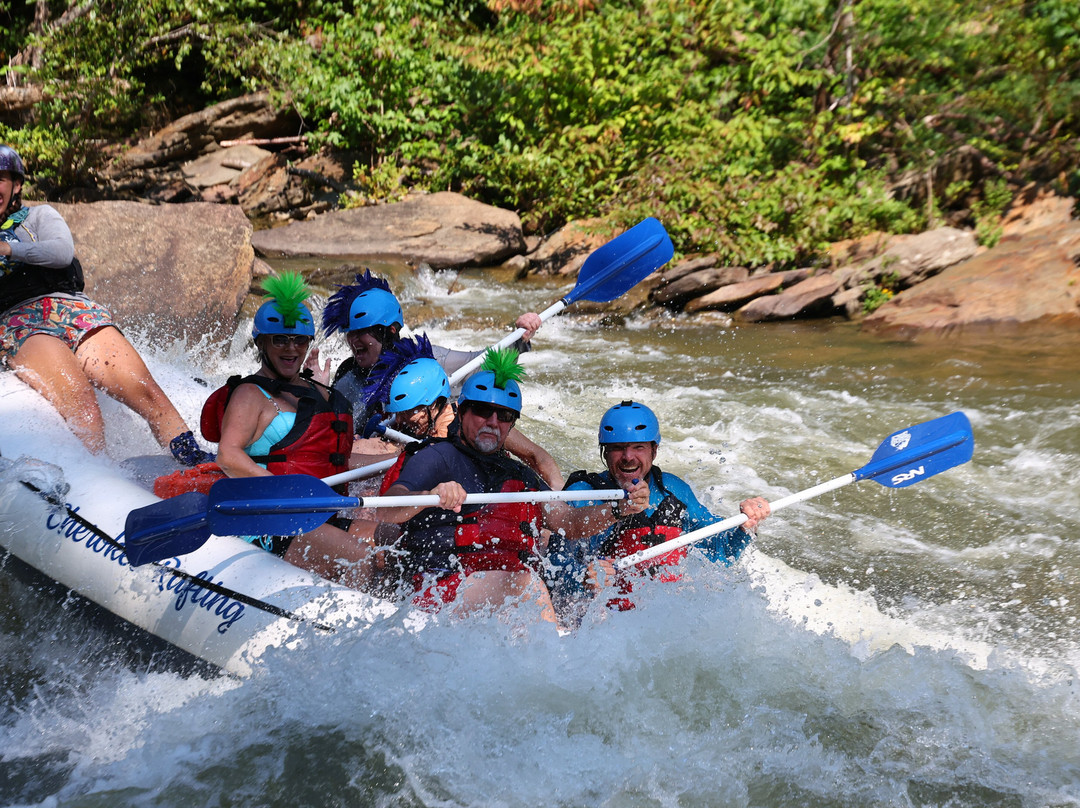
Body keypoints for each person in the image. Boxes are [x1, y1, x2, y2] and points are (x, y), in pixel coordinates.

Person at [378, 349, 649, 623]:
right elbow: (387, 509)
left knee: (597, 615)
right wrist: (430, 495)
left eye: (504, 416)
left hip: (504, 598)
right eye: (483, 411)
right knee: (526, 587)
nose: (493, 422)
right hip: (441, 592)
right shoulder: (436, 457)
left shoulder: (523, 476)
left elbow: (570, 523)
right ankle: (554, 660)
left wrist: (619, 508)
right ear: (461, 411)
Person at [0, 144, 212, 465]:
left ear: (15, 185)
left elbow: (61, 253)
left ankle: (195, 464)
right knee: (82, 402)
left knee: (148, 393)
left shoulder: (38, 216)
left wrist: (9, 249)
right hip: (20, 323)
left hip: (73, 310)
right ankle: (106, 483)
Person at [312, 269, 563, 488]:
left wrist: (519, 336)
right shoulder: (347, 376)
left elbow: (484, 364)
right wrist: (317, 392)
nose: (354, 341)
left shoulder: (431, 364)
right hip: (388, 459)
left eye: (363, 332)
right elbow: (335, 438)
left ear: (389, 331)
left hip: (423, 453)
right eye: (350, 333)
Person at [214, 271, 378, 588]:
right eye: (280, 339)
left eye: (299, 339)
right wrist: (285, 491)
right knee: (360, 556)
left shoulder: (319, 393)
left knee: (393, 543)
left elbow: (335, 462)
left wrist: (397, 461)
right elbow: (228, 456)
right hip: (269, 518)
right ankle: (353, 634)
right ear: (261, 342)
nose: (291, 349)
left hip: (318, 514)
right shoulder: (250, 395)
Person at [552, 400, 770, 616]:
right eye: (618, 448)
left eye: (639, 447)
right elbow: (552, 571)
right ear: (605, 452)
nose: (628, 457)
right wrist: (583, 577)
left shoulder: (673, 490)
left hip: (666, 619)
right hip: (604, 622)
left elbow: (721, 553)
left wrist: (745, 525)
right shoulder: (583, 495)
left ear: (653, 451)